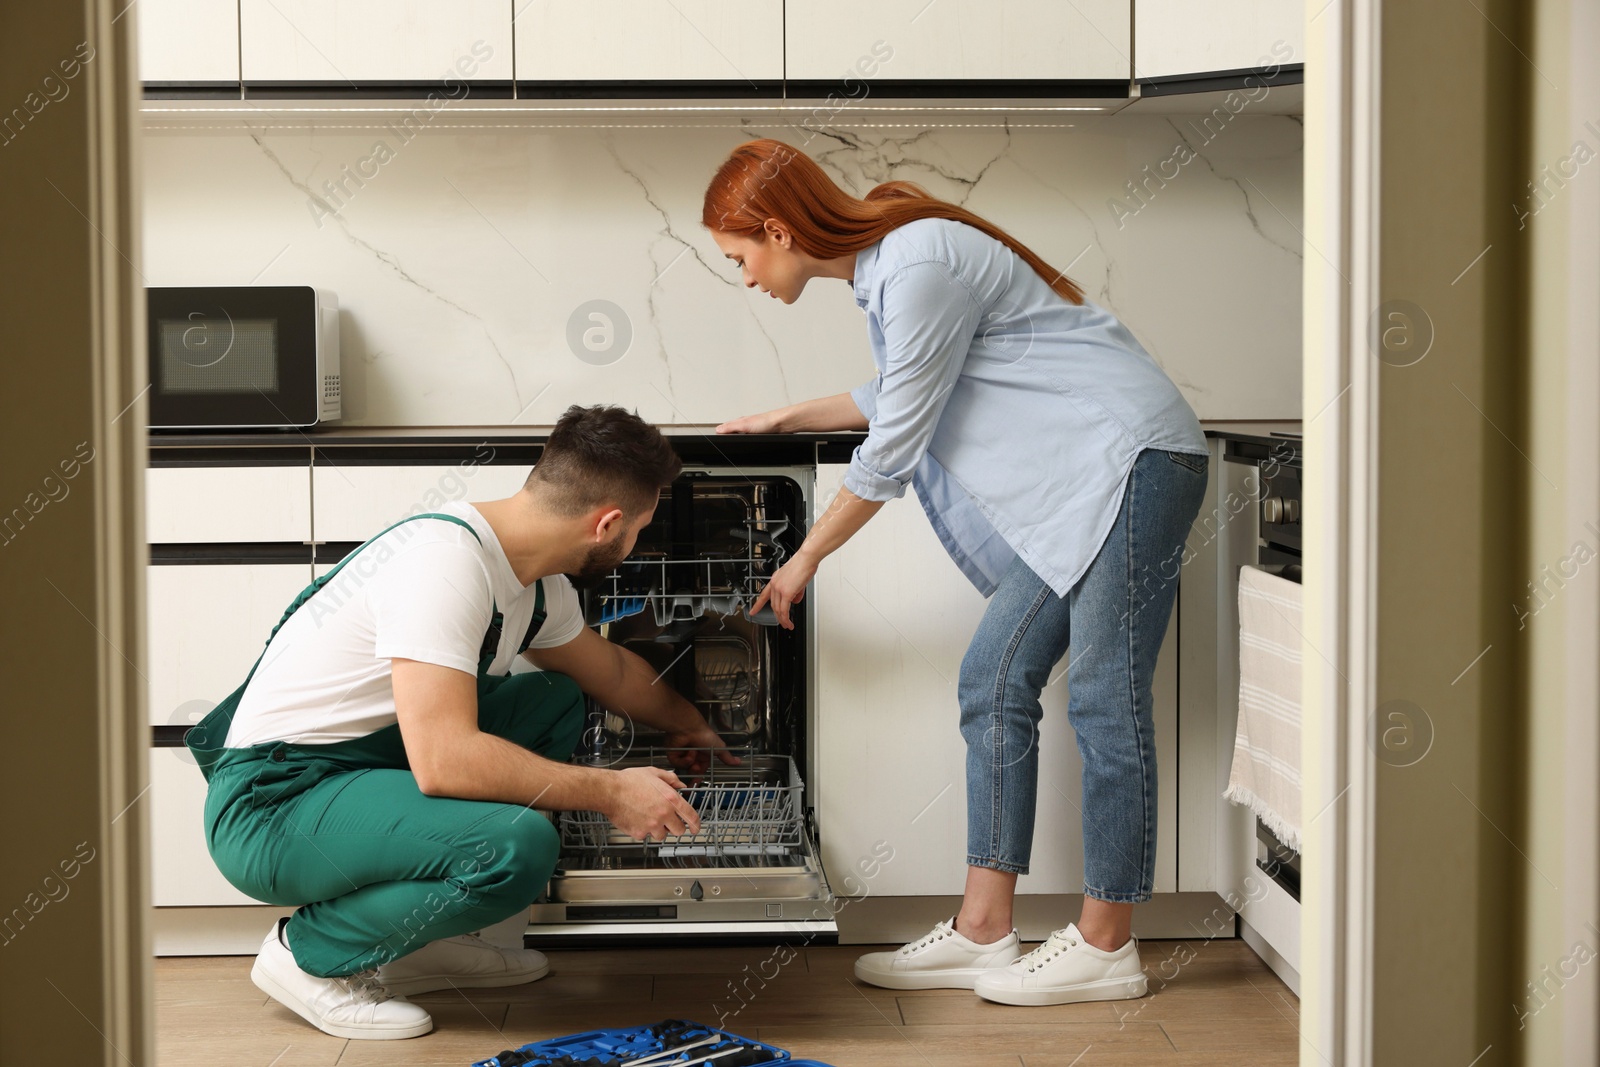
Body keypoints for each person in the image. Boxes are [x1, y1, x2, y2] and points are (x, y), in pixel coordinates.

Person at [705, 139, 1209, 1006]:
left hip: (1132, 462)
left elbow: (892, 445)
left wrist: (803, 559)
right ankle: (984, 930)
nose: (745, 277)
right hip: (1086, 482)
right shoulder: (895, 266)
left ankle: (1106, 944)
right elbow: (900, 387)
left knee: (1102, 693)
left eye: (739, 256)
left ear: (779, 232)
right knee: (996, 675)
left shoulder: (915, 264)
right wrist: (781, 415)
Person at [186, 404, 735, 1039]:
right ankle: (306, 955)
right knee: (517, 845)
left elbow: (610, 672)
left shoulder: (531, 583)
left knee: (553, 696)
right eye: (641, 527)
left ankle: (416, 945)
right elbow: (445, 760)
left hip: (350, 776)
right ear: (605, 524)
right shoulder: (443, 564)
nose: (638, 540)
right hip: (275, 808)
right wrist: (614, 791)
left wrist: (692, 725)